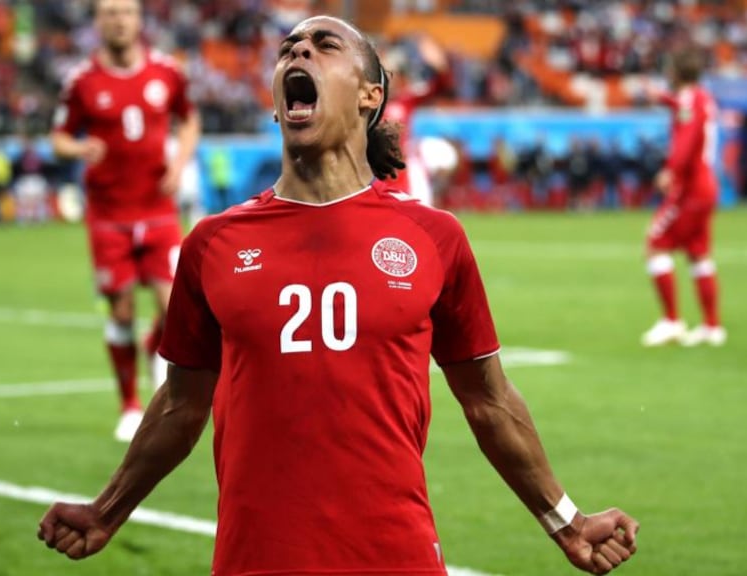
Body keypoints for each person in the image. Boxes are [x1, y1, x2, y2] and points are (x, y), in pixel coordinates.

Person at [39, 16, 639, 576]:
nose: (298, 51)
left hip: (395, 555)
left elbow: (488, 401)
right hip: (256, 558)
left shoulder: (434, 239)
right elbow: (180, 406)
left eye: (326, 46)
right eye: (288, 51)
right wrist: (106, 511)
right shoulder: (212, 244)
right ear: (277, 106)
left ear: (369, 95)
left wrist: (567, 522)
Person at [50, 0, 201, 441]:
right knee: (121, 309)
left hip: (157, 211)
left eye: (126, 12)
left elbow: (190, 121)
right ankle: (130, 405)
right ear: (98, 22)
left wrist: (179, 162)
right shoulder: (82, 82)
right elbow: (58, 137)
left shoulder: (167, 73)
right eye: (110, 13)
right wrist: (80, 149)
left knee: (173, 305)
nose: (119, 20)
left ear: (139, 20)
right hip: (109, 215)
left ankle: (160, 377)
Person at [642, 49, 725, 347]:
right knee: (698, 254)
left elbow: (688, 137)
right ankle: (712, 326)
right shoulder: (701, 97)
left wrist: (670, 171)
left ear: (676, 70)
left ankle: (672, 321)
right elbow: (685, 110)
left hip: (690, 187)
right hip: (707, 185)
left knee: (655, 245)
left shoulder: (691, 98)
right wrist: (662, 98)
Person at [382, 35, 451, 206]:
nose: (390, 80)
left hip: (403, 166)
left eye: (393, 75)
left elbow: (440, 87)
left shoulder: (406, 99)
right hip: (377, 166)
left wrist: (440, 67)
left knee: (417, 210)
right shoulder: (370, 103)